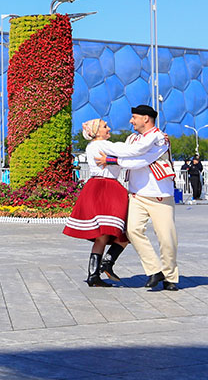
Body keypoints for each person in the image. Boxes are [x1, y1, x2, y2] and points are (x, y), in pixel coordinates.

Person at [95, 104, 179, 291]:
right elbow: (128, 154)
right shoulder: (132, 138)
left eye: (134, 117)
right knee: (133, 231)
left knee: (167, 239)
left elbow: (141, 159)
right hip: (137, 195)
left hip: (160, 196)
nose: (131, 121)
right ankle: (155, 270)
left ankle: (170, 277)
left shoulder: (159, 138)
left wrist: (111, 159)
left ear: (145, 119)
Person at [63, 119, 131, 286]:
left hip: (98, 187)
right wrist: (136, 141)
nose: (109, 129)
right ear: (96, 132)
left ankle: (94, 274)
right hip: (107, 188)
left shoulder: (93, 146)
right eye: (105, 127)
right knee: (125, 232)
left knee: (103, 235)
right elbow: (124, 150)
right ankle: (107, 262)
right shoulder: (102, 144)